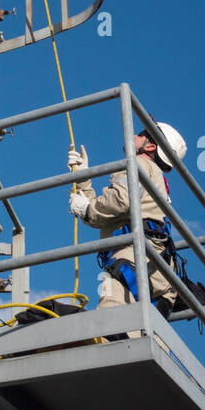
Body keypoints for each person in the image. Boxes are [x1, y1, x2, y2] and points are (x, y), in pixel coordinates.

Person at [67, 120, 187, 339]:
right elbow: (105, 217)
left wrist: (87, 209)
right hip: (158, 269)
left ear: (151, 146)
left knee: (109, 329)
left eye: (141, 134)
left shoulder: (137, 164)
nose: (135, 136)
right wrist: (83, 180)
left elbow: (118, 201)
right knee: (143, 337)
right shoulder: (153, 177)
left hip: (133, 259)